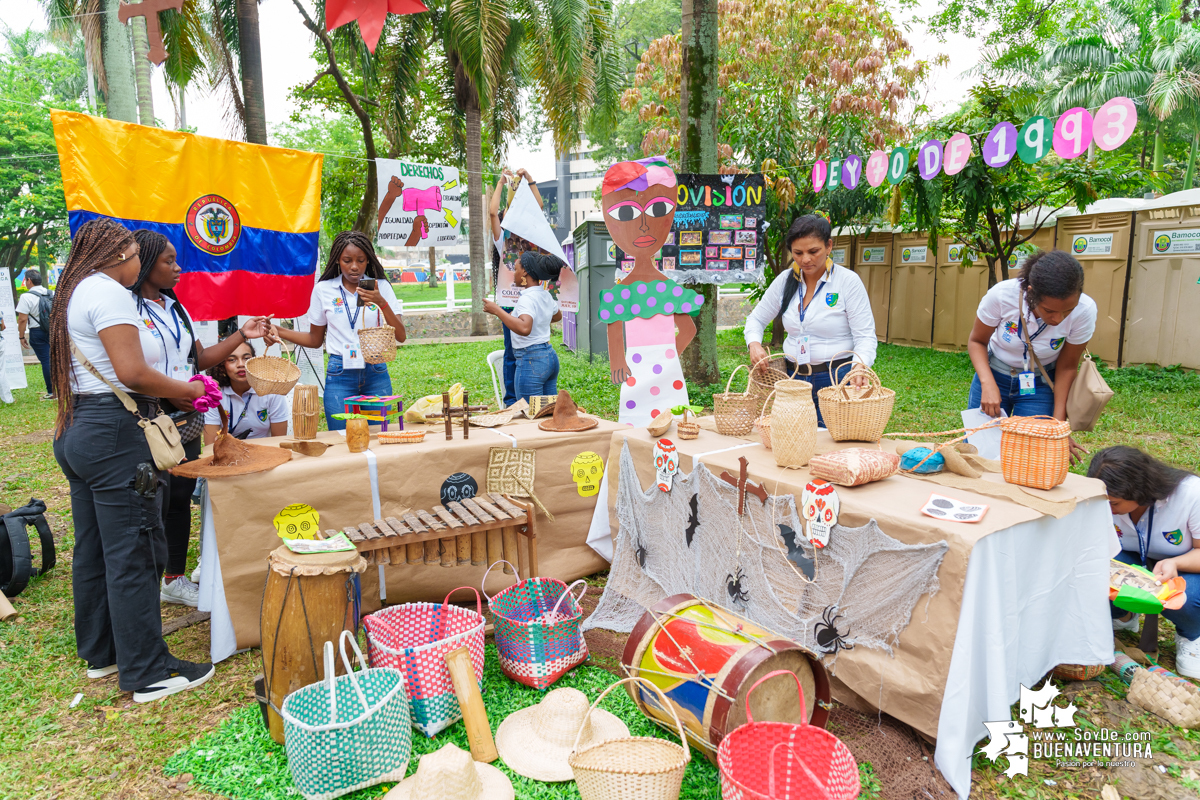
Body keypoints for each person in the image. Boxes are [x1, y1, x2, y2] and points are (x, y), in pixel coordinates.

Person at [49, 218, 214, 702]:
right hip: (116, 436)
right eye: (136, 253)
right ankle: (147, 671)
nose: (139, 261)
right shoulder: (112, 293)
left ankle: (103, 652)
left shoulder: (75, 290)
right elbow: (133, 372)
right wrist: (187, 392)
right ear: (121, 254)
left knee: (96, 548)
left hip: (78, 429)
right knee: (136, 552)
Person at [129, 230, 273, 607]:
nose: (178, 268)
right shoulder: (126, 310)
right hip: (148, 418)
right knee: (152, 502)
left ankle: (174, 577)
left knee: (178, 498)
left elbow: (199, 359)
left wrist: (242, 333)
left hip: (184, 417)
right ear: (144, 265)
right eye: (168, 261)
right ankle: (146, 583)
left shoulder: (175, 307)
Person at [599, 156, 704, 425]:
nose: (644, 226)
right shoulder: (625, 290)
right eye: (626, 213)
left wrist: (668, 358)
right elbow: (614, 323)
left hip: (663, 371)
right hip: (636, 369)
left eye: (657, 209)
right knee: (634, 425)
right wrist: (619, 361)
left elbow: (689, 329)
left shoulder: (664, 288)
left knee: (674, 423)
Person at [744, 215, 875, 427]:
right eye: (798, 253)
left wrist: (860, 366)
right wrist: (754, 343)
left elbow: (865, 336)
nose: (805, 259)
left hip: (836, 380)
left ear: (829, 246)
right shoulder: (785, 281)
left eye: (813, 251)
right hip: (792, 379)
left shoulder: (847, 282)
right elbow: (756, 319)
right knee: (792, 440)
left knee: (831, 445)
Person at [967, 249, 1096, 461]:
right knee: (980, 454)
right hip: (993, 376)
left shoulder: (1085, 311)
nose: (1059, 319)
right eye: (1049, 311)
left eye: (1068, 310)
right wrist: (987, 384)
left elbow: (1067, 367)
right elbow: (976, 341)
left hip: (1040, 384)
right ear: (1030, 292)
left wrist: (1058, 427)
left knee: (1029, 456)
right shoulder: (1002, 296)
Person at [273, 231, 405, 430]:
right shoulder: (324, 290)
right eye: (347, 260)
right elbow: (315, 339)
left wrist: (381, 302)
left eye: (360, 260)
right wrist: (278, 331)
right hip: (340, 373)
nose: (354, 266)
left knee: (378, 436)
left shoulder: (380, 287)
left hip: (375, 371)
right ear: (337, 261)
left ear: (368, 260)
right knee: (340, 438)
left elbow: (401, 335)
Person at [1089, 446, 1200, 679]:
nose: (1107, 509)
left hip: (1187, 566)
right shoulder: (1103, 499)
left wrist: (1176, 563)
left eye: (1114, 504)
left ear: (1140, 491)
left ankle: (1192, 635)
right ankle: (1124, 616)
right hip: (1132, 559)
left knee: (1185, 599)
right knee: (1090, 572)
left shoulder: (1191, 495)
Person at [490, 168, 544, 407]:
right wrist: (501, 183)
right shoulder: (503, 239)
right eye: (507, 212)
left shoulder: (532, 238)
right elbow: (492, 212)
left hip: (531, 298)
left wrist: (530, 179)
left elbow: (539, 208)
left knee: (534, 346)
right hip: (510, 300)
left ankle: (533, 396)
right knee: (511, 351)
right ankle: (512, 400)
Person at [483, 252, 564, 402]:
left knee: (528, 413)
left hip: (532, 360)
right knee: (548, 412)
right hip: (549, 357)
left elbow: (525, 328)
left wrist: (496, 310)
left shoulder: (526, 298)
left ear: (525, 272)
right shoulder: (545, 295)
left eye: (516, 269)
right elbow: (557, 316)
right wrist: (540, 319)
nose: (514, 274)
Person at [203, 339, 290, 443]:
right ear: (222, 366)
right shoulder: (215, 395)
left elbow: (279, 441)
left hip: (264, 454)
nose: (241, 364)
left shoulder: (272, 392)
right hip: (228, 455)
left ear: (254, 361)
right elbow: (210, 446)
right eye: (232, 359)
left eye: (246, 358)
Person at [16, 269, 54, 399]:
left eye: (25, 280)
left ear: (29, 280)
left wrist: (21, 336)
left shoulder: (26, 297)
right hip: (53, 331)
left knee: (46, 361)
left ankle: (52, 392)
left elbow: (22, 319)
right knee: (55, 360)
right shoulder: (51, 293)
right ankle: (62, 388)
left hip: (37, 332)